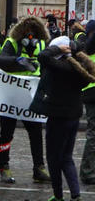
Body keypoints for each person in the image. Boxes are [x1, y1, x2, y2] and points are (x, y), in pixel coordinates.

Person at [30, 36, 95, 201]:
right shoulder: (79, 68)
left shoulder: (59, 67)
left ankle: (58, 195)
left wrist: (58, 49)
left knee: (53, 157)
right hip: (73, 116)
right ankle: (76, 194)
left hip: (58, 117)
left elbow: (43, 56)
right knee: (67, 157)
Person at [0, 16, 51, 183]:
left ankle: (39, 167)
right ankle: (4, 167)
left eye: (34, 34)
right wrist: (19, 63)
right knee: (6, 133)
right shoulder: (12, 43)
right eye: (27, 34)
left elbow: (48, 66)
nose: (30, 38)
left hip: (31, 96)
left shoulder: (42, 44)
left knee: (36, 132)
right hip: (11, 96)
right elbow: (2, 61)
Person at [80, 20, 95, 184]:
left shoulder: (86, 48)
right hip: (92, 93)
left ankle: (89, 170)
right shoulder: (89, 47)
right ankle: (87, 171)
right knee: (93, 135)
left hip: (89, 93)